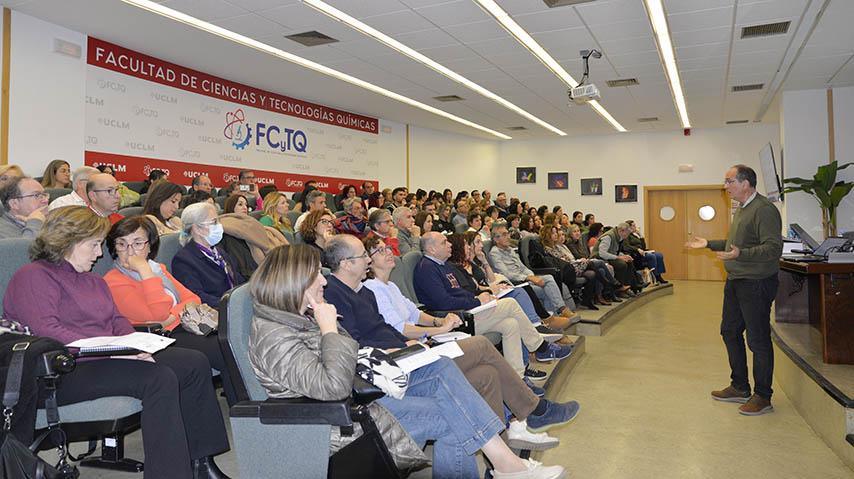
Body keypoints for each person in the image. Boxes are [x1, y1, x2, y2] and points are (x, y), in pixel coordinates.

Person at [248, 243, 568, 479]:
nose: (324, 282)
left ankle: (506, 464)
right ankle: (508, 463)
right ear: (294, 282)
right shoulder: (275, 333)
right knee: (455, 413)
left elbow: (345, 360)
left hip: (365, 387)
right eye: (316, 276)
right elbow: (331, 389)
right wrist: (330, 329)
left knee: (460, 373)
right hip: (340, 418)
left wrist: (367, 348)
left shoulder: (299, 316)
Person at [2, 206, 231, 479]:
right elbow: (48, 333)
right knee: (157, 378)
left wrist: (134, 346)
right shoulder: (33, 276)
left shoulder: (92, 281)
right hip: (61, 370)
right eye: (94, 244)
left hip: (104, 357)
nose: (100, 253)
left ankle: (201, 464)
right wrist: (113, 352)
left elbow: (117, 319)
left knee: (193, 362)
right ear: (68, 241)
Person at [359, 234, 577, 446]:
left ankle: (506, 434)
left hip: (432, 334)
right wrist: (437, 329)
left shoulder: (391, 286)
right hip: (414, 351)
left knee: (498, 350)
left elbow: (415, 314)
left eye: (388, 248)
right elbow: (399, 328)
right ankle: (535, 400)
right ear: (368, 261)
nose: (389, 252)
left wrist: (437, 322)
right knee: (488, 337)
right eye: (380, 250)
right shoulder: (373, 289)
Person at [103, 215, 237, 406]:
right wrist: (145, 272)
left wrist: (171, 315)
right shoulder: (114, 280)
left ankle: (245, 409)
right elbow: (157, 317)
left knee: (230, 341)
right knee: (223, 349)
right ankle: (243, 413)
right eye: (122, 244)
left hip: (179, 328)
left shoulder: (159, 269)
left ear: (150, 246)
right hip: (157, 339)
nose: (130, 251)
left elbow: (192, 299)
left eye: (138, 243)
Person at [685, 164, 783, 416]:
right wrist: (709, 243)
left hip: (756, 283)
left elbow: (773, 248)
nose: (725, 186)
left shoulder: (764, 209)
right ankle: (740, 386)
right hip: (736, 280)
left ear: (746, 183)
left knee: (757, 339)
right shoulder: (743, 209)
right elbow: (733, 245)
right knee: (729, 331)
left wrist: (742, 253)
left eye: (729, 181)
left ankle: (763, 396)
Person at [415, 232, 573, 376]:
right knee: (510, 303)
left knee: (510, 324)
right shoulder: (427, 269)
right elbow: (444, 303)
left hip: (468, 311)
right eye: (444, 243)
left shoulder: (442, 266)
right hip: (459, 320)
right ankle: (540, 347)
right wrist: (477, 300)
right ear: (431, 249)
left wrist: (482, 296)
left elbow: (460, 293)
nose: (449, 244)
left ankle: (518, 379)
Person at [448, 232, 569, 335]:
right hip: (483, 300)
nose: (481, 245)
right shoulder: (460, 266)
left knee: (543, 284)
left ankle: (549, 319)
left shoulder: (475, 262)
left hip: (489, 291)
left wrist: (484, 262)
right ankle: (539, 324)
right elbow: (476, 289)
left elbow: (490, 279)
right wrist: (491, 289)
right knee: (521, 291)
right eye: (477, 242)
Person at [489, 225, 580, 322]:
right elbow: (507, 274)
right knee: (546, 285)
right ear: (496, 239)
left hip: (525, 279)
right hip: (515, 283)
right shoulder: (494, 253)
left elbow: (523, 267)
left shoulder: (510, 250)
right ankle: (558, 313)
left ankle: (554, 316)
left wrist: (531, 276)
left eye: (507, 234)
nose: (508, 237)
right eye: (504, 235)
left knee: (548, 278)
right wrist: (529, 278)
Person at [172, 202, 246, 307]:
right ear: (197, 229)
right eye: (214, 222)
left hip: (234, 306)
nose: (219, 225)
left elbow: (238, 280)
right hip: (216, 311)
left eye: (218, 221)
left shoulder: (220, 252)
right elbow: (197, 296)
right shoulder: (184, 260)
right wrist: (231, 304)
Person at [221, 194, 288, 278]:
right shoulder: (225, 229)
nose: (245, 207)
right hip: (247, 273)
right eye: (240, 204)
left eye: (246, 204)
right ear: (231, 207)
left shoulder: (252, 224)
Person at [591, 222, 646, 295]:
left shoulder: (618, 237)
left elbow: (614, 250)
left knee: (629, 262)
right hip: (600, 258)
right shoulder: (608, 237)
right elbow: (602, 253)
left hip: (608, 257)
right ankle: (619, 289)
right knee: (621, 265)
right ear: (620, 231)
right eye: (626, 234)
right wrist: (619, 257)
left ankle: (628, 286)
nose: (627, 236)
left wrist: (624, 256)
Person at [624, 220, 668, 284]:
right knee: (652, 256)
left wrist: (641, 236)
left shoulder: (634, 236)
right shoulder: (626, 236)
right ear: (629, 227)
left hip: (643, 252)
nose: (635, 227)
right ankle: (654, 276)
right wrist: (637, 249)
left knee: (659, 255)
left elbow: (643, 247)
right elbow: (627, 246)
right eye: (633, 226)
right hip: (636, 255)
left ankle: (659, 275)